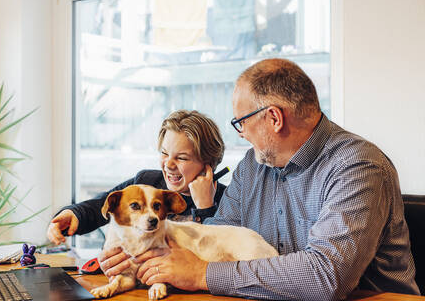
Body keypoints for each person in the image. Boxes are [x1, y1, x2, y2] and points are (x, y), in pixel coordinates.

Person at [103, 58, 420, 300]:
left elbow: (327, 277)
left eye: (241, 122)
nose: (241, 134)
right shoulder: (252, 167)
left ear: (274, 118)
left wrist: (203, 274)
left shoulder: (358, 167)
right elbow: (216, 237)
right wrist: (143, 254)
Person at [47, 109, 226, 245]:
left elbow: (214, 254)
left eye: (181, 158)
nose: (169, 165)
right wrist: (73, 214)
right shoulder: (148, 182)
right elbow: (102, 204)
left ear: (207, 164)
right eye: (164, 153)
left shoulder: (229, 200)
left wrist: (205, 208)